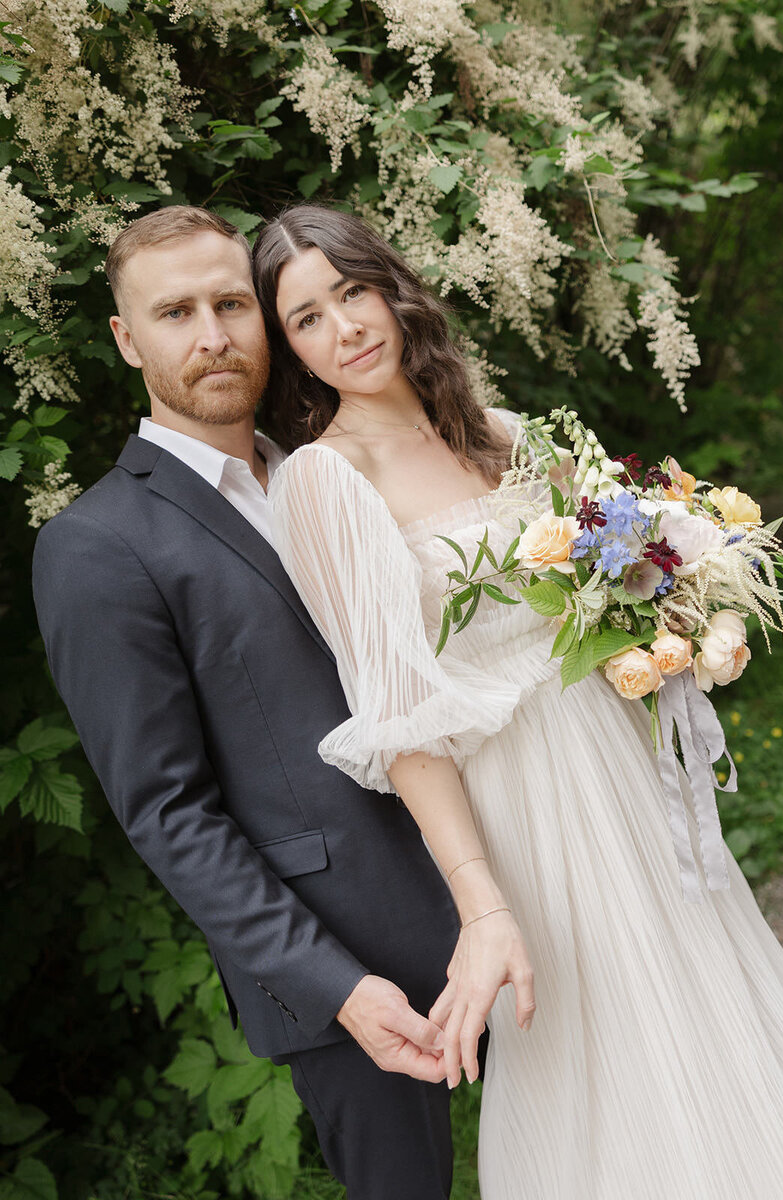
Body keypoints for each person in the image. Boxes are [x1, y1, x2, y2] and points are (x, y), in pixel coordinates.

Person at [254, 202, 783, 1200]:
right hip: (518, 804)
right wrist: (481, 903)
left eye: (350, 290)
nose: (344, 326)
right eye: (307, 317)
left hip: (617, 754)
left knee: (701, 996)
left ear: (386, 284)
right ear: (289, 349)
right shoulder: (325, 481)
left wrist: (668, 617)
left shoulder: (498, 430)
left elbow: (602, 591)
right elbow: (399, 720)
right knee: (601, 1050)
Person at [31, 205, 464, 1200]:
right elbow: (169, 815)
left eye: (231, 303)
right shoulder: (97, 547)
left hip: (497, 883)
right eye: (175, 311)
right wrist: (337, 988)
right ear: (126, 338)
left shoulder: (334, 466)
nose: (212, 333)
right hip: (348, 961)